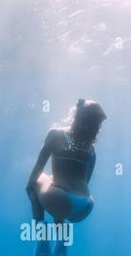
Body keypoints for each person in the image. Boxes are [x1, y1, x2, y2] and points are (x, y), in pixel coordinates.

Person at [26, 99, 106, 231]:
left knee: (38, 179)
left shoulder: (56, 134)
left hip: (63, 202)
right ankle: (60, 241)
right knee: (54, 182)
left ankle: (41, 240)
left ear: (77, 114)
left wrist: (29, 189)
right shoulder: (91, 149)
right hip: (86, 205)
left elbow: (38, 167)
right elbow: (87, 180)